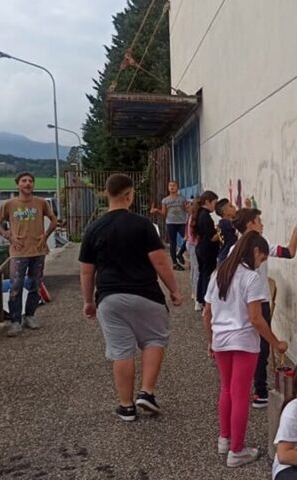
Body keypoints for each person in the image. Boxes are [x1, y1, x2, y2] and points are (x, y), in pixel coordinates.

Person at [79, 174, 183, 422]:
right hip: (146, 294)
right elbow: (159, 259)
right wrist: (174, 290)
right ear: (129, 195)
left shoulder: (93, 228)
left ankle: (126, 406)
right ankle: (146, 392)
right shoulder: (143, 224)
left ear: (107, 194)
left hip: (110, 298)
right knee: (154, 340)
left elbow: (86, 270)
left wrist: (88, 301)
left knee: (121, 351)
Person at [202, 231, 289, 467]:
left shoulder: (218, 273)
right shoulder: (252, 278)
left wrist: (210, 341)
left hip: (220, 340)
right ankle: (237, 451)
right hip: (243, 342)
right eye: (262, 259)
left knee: (227, 389)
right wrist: (276, 342)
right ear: (256, 252)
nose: (261, 263)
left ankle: (224, 439)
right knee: (241, 394)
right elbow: (256, 318)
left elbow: (207, 313)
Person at [231, 208, 297, 408]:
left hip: (238, 302)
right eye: (258, 220)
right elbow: (290, 252)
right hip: (258, 301)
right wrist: (296, 232)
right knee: (261, 346)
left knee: (246, 343)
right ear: (249, 225)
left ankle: (246, 387)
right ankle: (260, 391)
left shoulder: (233, 248)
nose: (262, 224)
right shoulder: (261, 245)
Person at [0, 172, 58, 337]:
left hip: (38, 250)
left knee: (35, 285)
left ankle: (30, 315)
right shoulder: (9, 204)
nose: (28, 183)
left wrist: (45, 235)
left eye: (30, 181)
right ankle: (15, 321)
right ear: (17, 184)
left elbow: (53, 220)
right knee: (16, 286)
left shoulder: (41, 203)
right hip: (18, 252)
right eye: (24, 181)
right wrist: (8, 235)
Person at [149, 180, 189, 270]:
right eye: (170, 186)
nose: (172, 187)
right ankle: (174, 264)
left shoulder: (182, 199)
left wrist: (190, 207)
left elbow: (186, 210)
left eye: (174, 185)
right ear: (168, 188)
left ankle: (180, 253)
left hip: (182, 222)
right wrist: (156, 210)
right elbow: (164, 213)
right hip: (171, 222)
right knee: (173, 242)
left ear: (177, 187)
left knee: (188, 238)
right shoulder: (165, 200)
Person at [192, 190, 220, 308]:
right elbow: (212, 237)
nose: (215, 206)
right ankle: (205, 299)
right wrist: (221, 232)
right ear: (207, 202)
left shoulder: (200, 214)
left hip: (201, 248)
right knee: (207, 274)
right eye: (214, 203)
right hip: (208, 249)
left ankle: (200, 298)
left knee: (203, 273)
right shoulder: (206, 216)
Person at [184, 197, 201, 311]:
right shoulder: (195, 218)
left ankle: (194, 294)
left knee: (194, 270)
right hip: (194, 245)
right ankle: (196, 297)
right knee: (197, 271)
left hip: (191, 244)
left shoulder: (191, 217)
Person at [215, 198, 237, 264]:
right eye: (231, 206)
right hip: (227, 258)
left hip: (223, 256)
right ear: (225, 212)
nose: (234, 207)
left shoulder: (221, 224)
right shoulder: (227, 224)